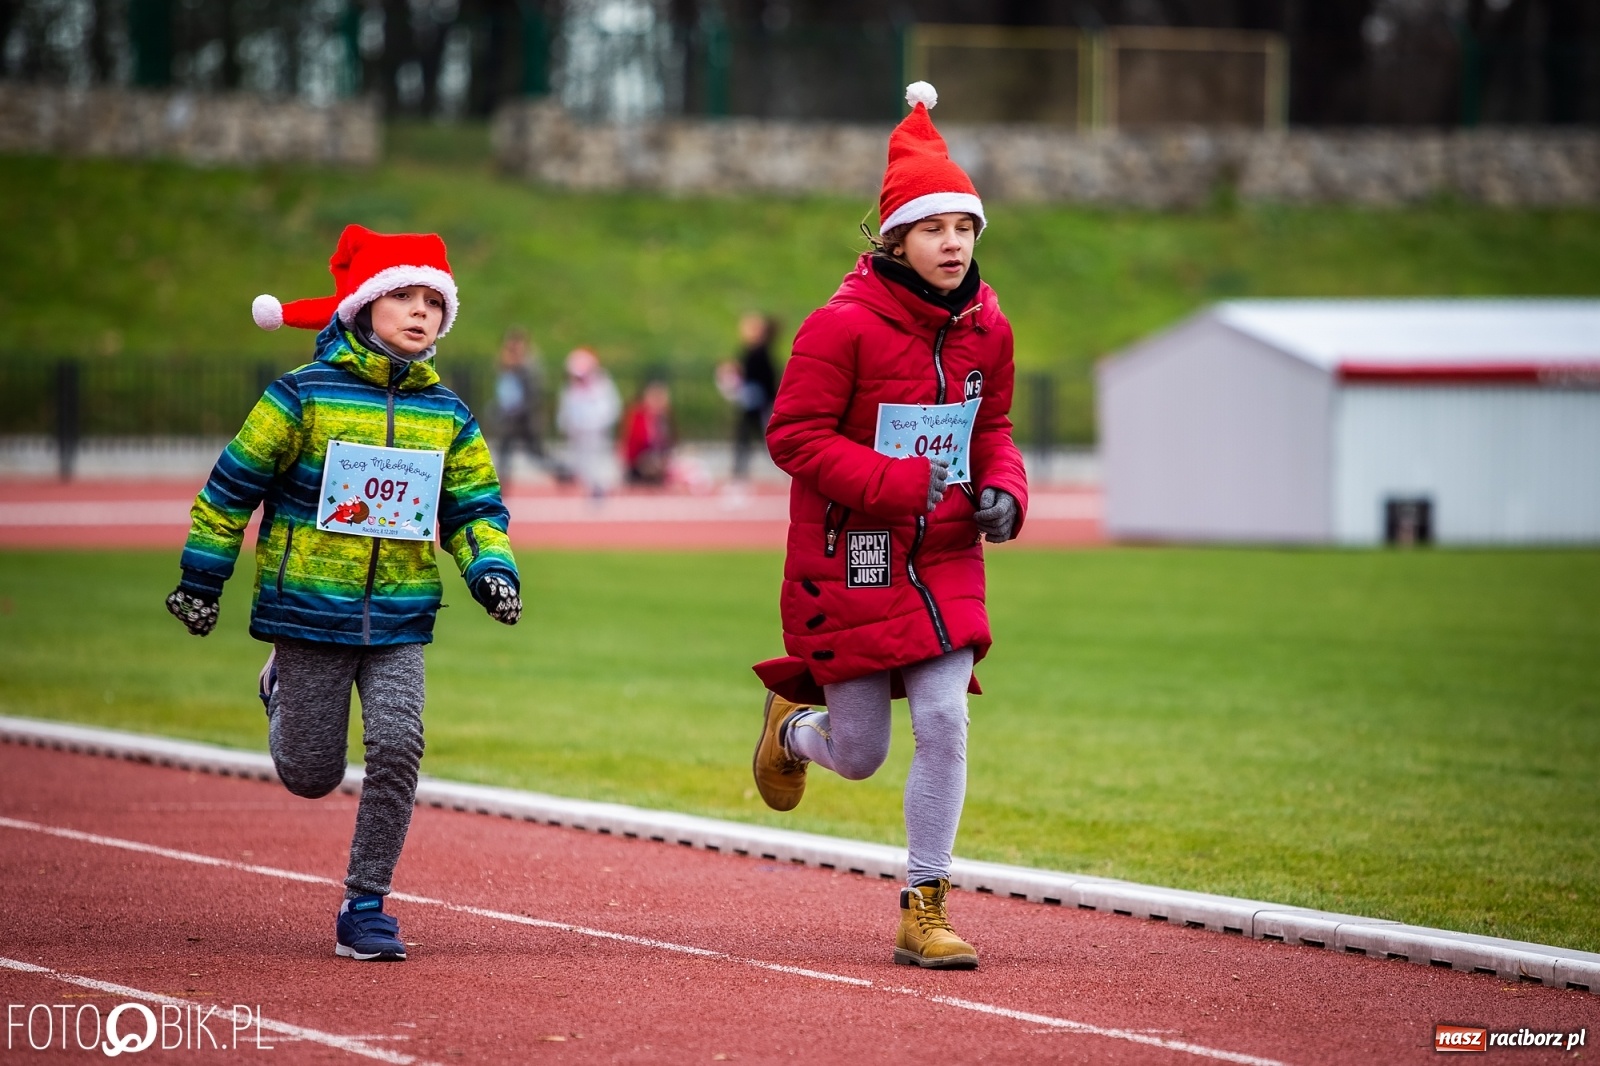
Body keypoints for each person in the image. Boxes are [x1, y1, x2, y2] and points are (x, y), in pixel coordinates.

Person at [164, 224, 522, 963]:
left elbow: (475, 510)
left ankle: (366, 903)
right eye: (403, 295)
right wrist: (202, 580)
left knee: (398, 747)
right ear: (362, 305)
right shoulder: (299, 396)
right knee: (311, 775)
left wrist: (492, 570)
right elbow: (227, 494)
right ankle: (279, 687)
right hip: (307, 610)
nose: (420, 311)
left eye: (433, 301)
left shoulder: (448, 415)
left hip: (400, 614)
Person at [749, 83, 1028, 971]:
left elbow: (994, 430)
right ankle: (792, 729)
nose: (953, 243)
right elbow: (792, 436)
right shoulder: (839, 328)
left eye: (965, 228)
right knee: (861, 753)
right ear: (895, 237)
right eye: (934, 227)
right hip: (854, 558)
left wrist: (1006, 490)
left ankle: (924, 905)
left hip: (945, 554)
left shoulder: (989, 328)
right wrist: (892, 482)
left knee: (945, 720)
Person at [556, 347, 621, 497]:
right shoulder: (570, 389)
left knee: (598, 459)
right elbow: (566, 409)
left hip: (596, 432)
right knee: (581, 461)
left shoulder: (602, 386)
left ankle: (600, 485)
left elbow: (611, 408)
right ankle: (588, 486)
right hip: (578, 432)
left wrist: (598, 424)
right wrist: (566, 425)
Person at [493, 328, 548, 479]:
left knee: (537, 453)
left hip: (525, 418)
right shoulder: (506, 368)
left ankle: (564, 475)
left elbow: (534, 393)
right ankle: (501, 481)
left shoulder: (529, 367)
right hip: (508, 419)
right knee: (504, 453)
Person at [731, 313, 779, 479]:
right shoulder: (753, 352)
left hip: (760, 403)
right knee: (746, 435)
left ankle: (740, 470)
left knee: (764, 437)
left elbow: (766, 380)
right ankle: (739, 469)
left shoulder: (760, 354)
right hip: (752, 402)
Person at [621, 379, 673, 485]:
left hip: (657, 463)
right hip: (639, 466)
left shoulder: (663, 419)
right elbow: (637, 443)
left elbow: (667, 444)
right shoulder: (638, 416)